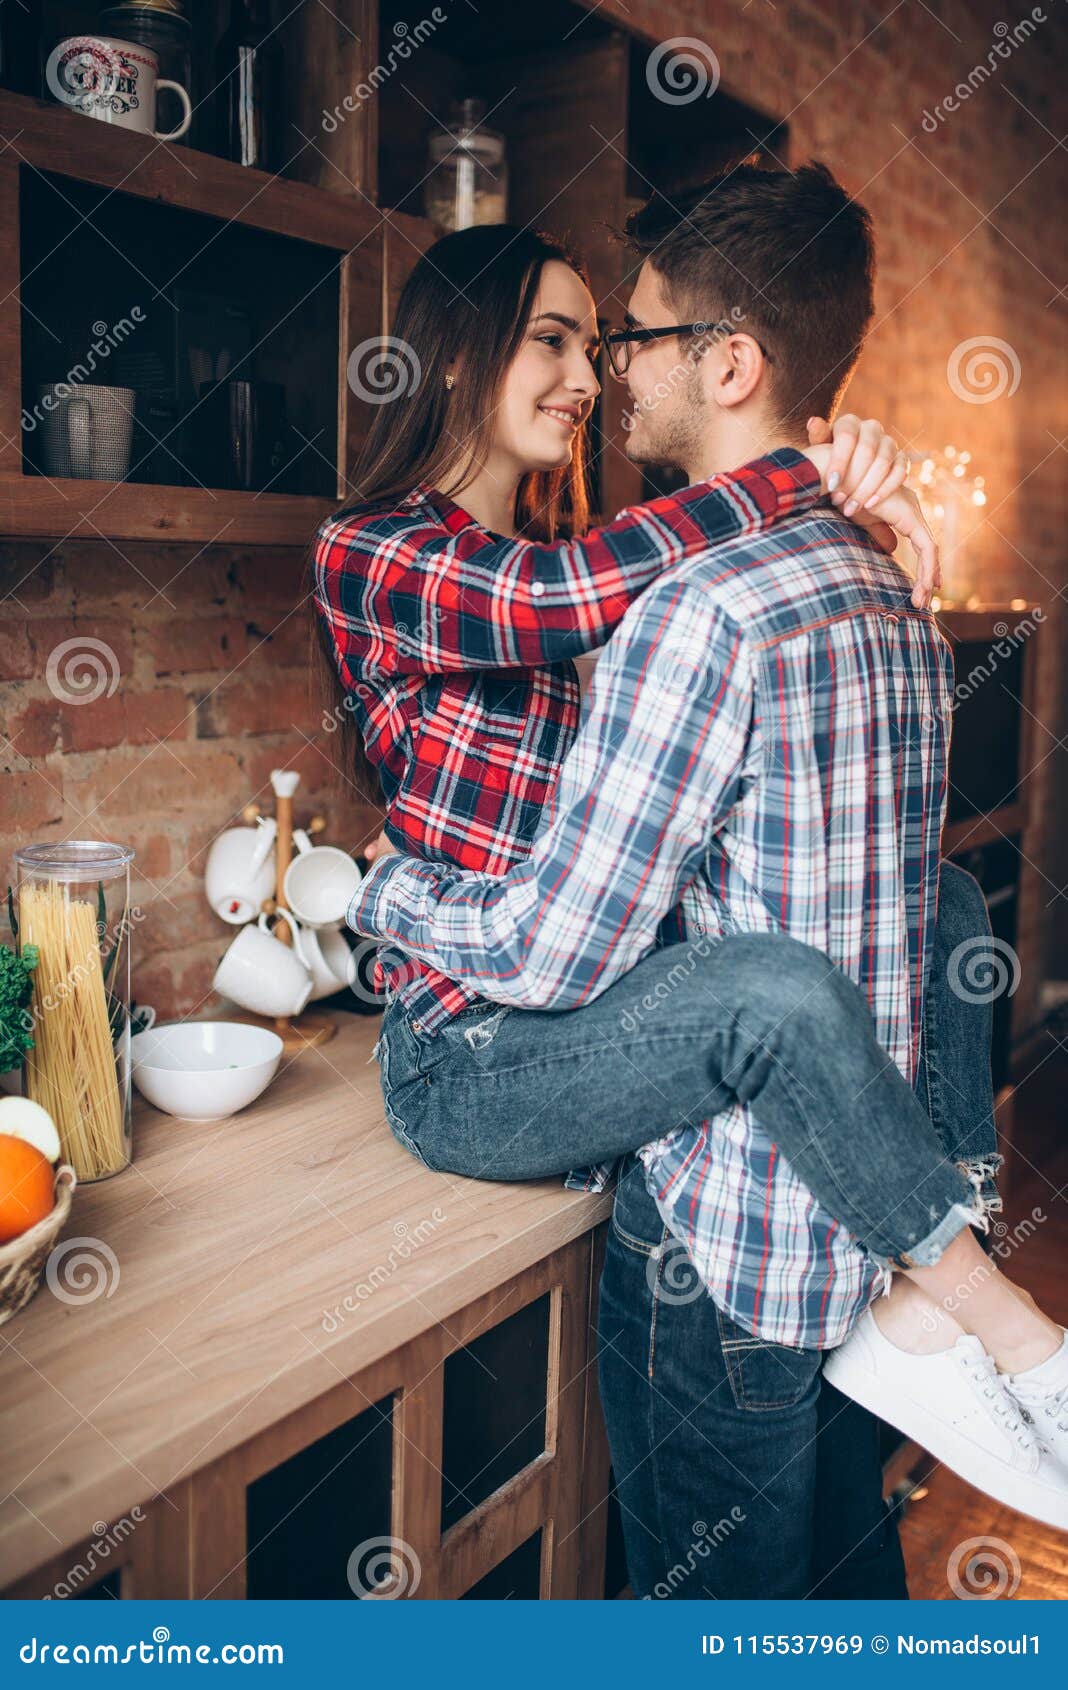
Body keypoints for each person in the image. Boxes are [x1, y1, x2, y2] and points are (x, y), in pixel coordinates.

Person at [312, 175, 1067, 1591]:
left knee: (944, 916)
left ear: (727, 360)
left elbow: (626, 815)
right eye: (554, 340)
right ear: (461, 350)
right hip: (473, 1030)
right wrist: (803, 479)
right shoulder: (391, 548)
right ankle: (960, 1287)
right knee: (778, 989)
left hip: (598, 1038)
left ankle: (935, 1278)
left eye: (612, 340)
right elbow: (549, 616)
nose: (596, 376)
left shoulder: (628, 582)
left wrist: (814, 502)